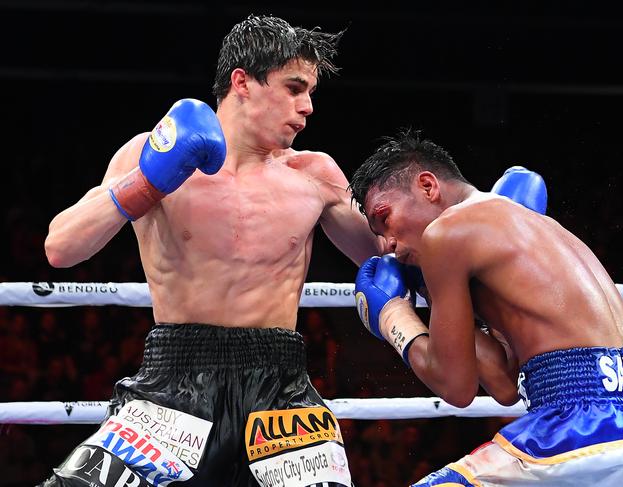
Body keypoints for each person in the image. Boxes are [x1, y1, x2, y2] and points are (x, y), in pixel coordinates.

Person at [40, 14, 385, 487]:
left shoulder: (315, 174)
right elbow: (61, 247)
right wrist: (147, 181)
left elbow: (389, 254)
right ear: (242, 82)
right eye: (294, 88)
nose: (307, 108)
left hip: (280, 395)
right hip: (172, 385)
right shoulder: (148, 152)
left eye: (310, 93)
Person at [349, 129, 623, 486]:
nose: (389, 245)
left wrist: (393, 317)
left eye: (385, 218)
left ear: (428, 186)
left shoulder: (446, 234)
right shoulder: (532, 225)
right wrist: (431, 290)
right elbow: (505, 384)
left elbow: (456, 388)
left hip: (580, 425)